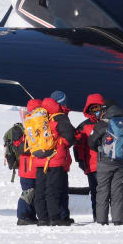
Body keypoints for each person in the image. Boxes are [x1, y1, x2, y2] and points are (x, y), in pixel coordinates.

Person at [26, 96, 76, 226]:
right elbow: (71, 136)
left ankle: (42, 218)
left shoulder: (39, 119)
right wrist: (62, 143)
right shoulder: (58, 118)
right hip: (55, 160)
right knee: (53, 189)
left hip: (39, 159)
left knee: (40, 189)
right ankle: (55, 217)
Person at [87, 103, 123, 225]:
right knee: (117, 190)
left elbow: (91, 142)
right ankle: (117, 219)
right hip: (121, 161)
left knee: (102, 190)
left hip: (105, 161)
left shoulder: (102, 124)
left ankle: (102, 220)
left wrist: (101, 149)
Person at [73, 92, 106, 218]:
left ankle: (112, 214)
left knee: (111, 192)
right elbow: (78, 146)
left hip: (109, 164)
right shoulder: (83, 126)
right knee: (96, 193)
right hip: (92, 166)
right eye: (93, 108)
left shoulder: (109, 121)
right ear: (89, 109)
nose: (96, 111)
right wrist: (81, 162)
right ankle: (98, 216)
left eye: (98, 107)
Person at [6, 111, 37, 226]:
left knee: (33, 193)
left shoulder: (29, 129)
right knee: (28, 192)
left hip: (30, 167)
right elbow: (21, 149)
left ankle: (30, 216)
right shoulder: (23, 131)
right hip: (27, 167)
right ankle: (23, 216)